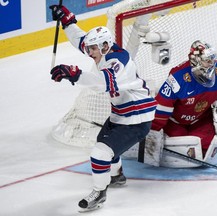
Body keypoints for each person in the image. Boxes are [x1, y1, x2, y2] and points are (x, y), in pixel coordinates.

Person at [49, 4, 157, 212]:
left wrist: (75, 74)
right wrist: (68, 21)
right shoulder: (101, 48)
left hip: (137, 118)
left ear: (106, 46)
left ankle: (99, 193)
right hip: (122, 114)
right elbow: (80, 40)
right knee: (105, 147)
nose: (89, 53)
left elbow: (101, 83)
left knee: (100, 153)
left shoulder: (119, 60)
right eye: (90, 49)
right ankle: (116, 176)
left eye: (93, 49)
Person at [144, 40, 217, 168]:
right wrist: (152, 133)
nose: (212, 64)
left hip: (201, 119)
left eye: (213, 60)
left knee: (207, 148)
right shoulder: (178, 79)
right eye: (207, 60)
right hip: (174, 122)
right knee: (185, 150)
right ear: (195, 60)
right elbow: (161, 109)